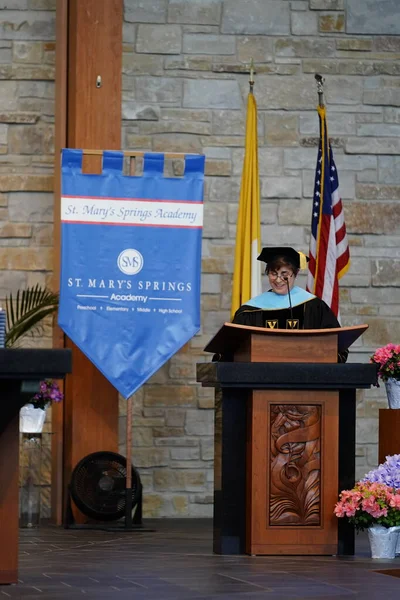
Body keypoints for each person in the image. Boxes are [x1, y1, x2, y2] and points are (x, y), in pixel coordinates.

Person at [232, 246, 348, 363]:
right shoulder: (250, 310)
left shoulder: (314, 307)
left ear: (295, 274)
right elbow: (234, 349)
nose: (278, 280)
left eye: (284, 274)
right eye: (273, 273)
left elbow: (335, 345)